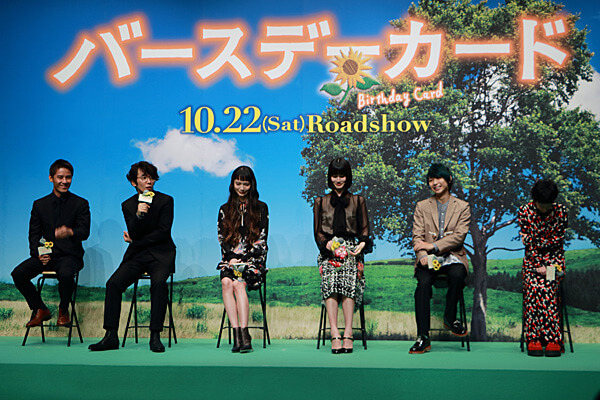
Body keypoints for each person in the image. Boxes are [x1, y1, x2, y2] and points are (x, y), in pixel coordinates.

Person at [89, 161, 176, 353]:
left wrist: (136, 241)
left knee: (158, 284)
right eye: (144, 178)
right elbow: (134, 231)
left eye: (152, 177)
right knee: (113, 284)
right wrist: (138, 214)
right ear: (133, 182)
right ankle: (111, 336)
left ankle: (155, 336)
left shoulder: (166, 200)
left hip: (161, 254)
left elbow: (163, 232)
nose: (149, 181)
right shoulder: (128, 205)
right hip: (137, 255)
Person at [12, 159, 90, 329]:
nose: (64, 181)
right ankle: (40, 309)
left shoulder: (80, 203)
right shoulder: (39, 205)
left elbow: (84, 232)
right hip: (46, 255)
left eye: (68, 177)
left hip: (70, 256)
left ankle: (63, 310)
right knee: (18, 274)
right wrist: (38, 253)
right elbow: (34, 234)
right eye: (60, 177)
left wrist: (70, 231)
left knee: (66, 274)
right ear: (51, 178)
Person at [409, 163, 470, 354]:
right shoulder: (422, 206)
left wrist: (433, 246)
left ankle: (450, 318)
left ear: (449, 180)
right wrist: (423, 255)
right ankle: (423, 337)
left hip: (453, 256)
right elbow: (417, 238)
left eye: (439, 178)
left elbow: (459, 237)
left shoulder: (462, 207)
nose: (435, 183)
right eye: (431, 180)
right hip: (428, 259)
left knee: (458, 275)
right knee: (423, 285)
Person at [314, 158, 372, 354]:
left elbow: (365, 229)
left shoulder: (358, 200)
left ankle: (348, 332)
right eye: (334, 176)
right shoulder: (320, 201)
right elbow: (317, 232)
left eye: (342, 176)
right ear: (329, 178)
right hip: (328, 251)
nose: (338, 180)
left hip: (352, 250)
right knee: (330, 280)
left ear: (348, 177)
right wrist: (327, 244)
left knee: (348, 277)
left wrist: (361, 245)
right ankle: (334, 333)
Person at [217, 166, 268, 353]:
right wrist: (232, 258)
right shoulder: (224, 209)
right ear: (233, 184)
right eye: (238, 183)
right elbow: (222, 239)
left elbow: (262, 239)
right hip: (231, 260)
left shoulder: (261, 208)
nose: (242, 188)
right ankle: (236, 333)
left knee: (239, 284)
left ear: (251, 185)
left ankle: (245, 334)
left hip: (253, 260)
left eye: (246, 184)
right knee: (226, 282)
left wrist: (245, 259)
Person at [518, 179, 567, 357]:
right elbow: (529, 245)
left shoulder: (561, 212)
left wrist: (548, 266)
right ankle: (534, 338)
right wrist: (538, 263)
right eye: (541, 205)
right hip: (532, 264)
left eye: (548, 206)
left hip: (555, 263)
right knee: (533, 289)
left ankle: (553, 339)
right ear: (534, 200)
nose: (545, 210)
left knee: (548, 289)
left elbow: (557, 241)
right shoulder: (525, 211)